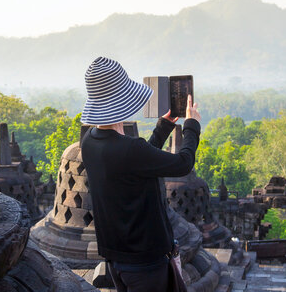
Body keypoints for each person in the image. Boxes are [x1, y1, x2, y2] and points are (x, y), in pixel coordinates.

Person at [80, 57, 201, 292]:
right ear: (121, 100)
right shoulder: (131, 150)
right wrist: (192, 126)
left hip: (116, 258)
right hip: (145, 264)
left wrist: (163, 126)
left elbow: (137, 162)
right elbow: (183, 163)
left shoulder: (89, 142)